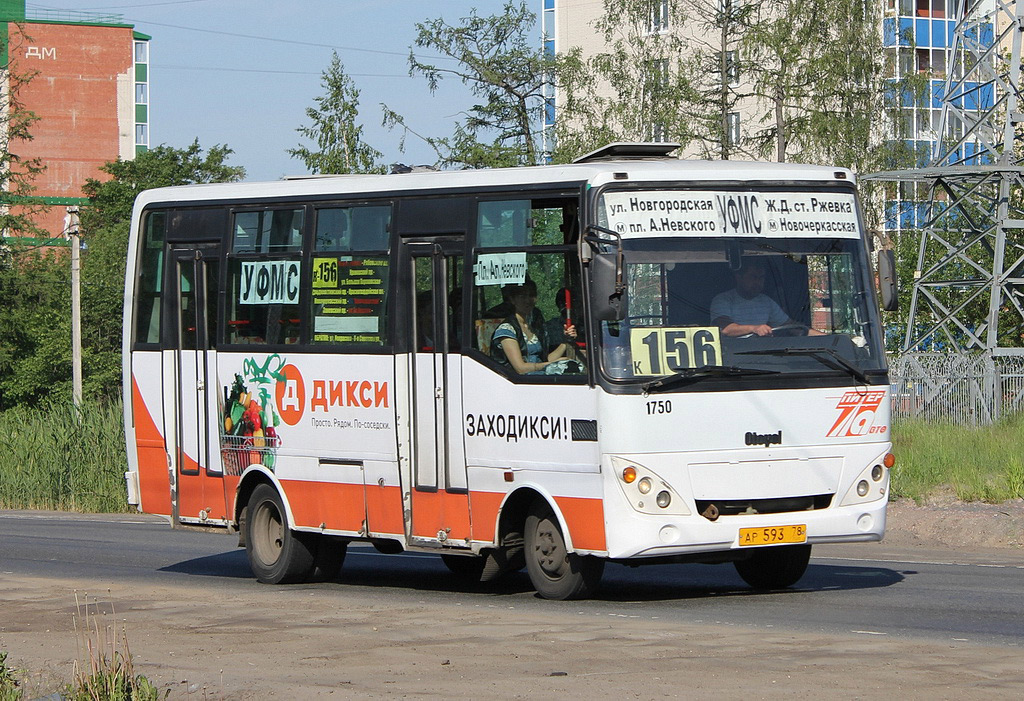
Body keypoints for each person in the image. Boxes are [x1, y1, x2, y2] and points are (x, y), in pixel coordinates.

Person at [710, 259, 823, 337]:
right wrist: (755, 328)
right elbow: (725, 329)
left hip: (763, 354)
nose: (758, 282)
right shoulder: (723, 300)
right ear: (739, 277)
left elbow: (789, 326)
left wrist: (824, 337)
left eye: (761, 278)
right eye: (753, 277)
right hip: (732, 357)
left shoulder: (766, 301)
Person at [491, 279, 577, 374]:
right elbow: (521, 369)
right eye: (522, 296)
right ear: (512, 299)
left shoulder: (534, 327)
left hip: (539, 380)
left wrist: (566, 342)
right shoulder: (506, 330)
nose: (528, 300)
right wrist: (552, 364)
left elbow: (544, 360)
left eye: (532, 295)